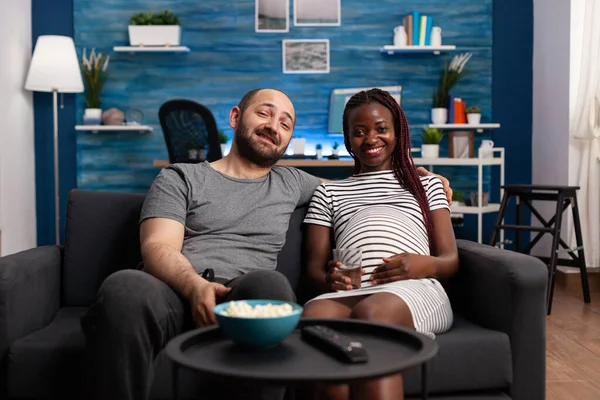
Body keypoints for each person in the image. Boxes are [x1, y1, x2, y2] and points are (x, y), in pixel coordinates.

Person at [80, 88, 453, 400]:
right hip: (174, 287)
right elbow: (159, 247)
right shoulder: (181, 176)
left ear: (289, 139)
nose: (274, 126)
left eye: (285, 123)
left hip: (247, 294)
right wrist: (195, 288)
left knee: (272, 287)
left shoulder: (296, 183)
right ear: (235, 117)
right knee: (124, 286)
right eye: (265, 114)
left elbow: (362, 185)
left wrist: (419, 176)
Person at [301, 88, 459, 400]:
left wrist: (421, 264)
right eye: (359, 132)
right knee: (313, 320)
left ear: (397, 132)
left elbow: (451, 259)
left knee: (372, 313)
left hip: (415, 289)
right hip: (352, 292)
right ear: (348, 139)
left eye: (381, 129)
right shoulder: (330, 192)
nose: (371, 139)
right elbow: (313, 271)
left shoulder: (426, 184)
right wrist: (330, 278)